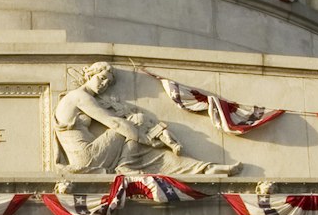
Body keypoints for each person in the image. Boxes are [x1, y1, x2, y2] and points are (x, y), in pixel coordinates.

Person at [54, 61, 239, 176]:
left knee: (138, 125)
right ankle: (127, 166)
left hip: (91, 154)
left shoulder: (87, 97)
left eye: (108, 83)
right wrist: (147, 138)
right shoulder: (79, 96)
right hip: (86, 159)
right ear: (89, 74)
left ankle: (199, 168)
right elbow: (114, 123)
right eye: (101, 78)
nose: (104, 84)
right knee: (136, 122)